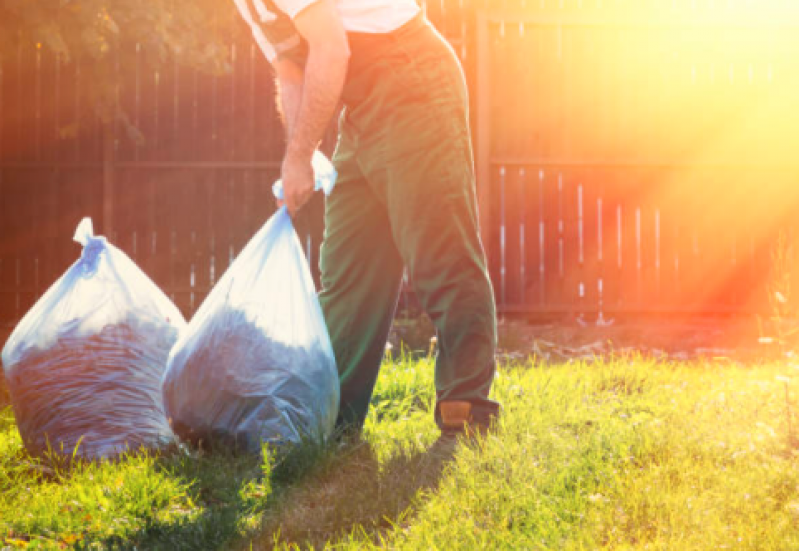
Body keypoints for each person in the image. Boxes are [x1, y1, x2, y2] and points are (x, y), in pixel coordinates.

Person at [233, 0, 500, 438]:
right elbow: (291, 70)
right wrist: (296, 155)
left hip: (412, 78)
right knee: (348, 273)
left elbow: (332, 48)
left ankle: (466, 409)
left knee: (439, 251)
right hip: (361, 106)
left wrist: (300, 158)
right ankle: (332, 419)